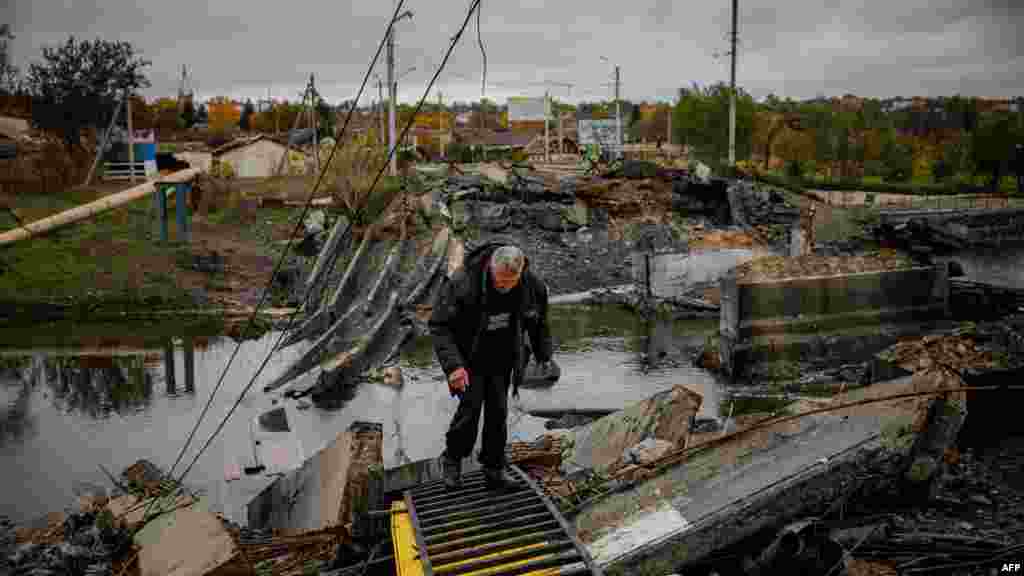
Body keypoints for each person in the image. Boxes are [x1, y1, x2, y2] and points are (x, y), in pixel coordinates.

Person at [429, 240, 554, 490]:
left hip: (503, 357)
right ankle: (452, 461)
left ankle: (494, 469)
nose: (504, 287)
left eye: (510, 282)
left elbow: (538, 322)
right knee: (470, 412)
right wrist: (453, 366)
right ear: (490, 269)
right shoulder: (463, 282)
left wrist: (544, 355)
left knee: (498, 414)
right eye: (499, 281)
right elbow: (439, 326)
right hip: (469, 359)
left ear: (520, 273)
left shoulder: (532, 285)